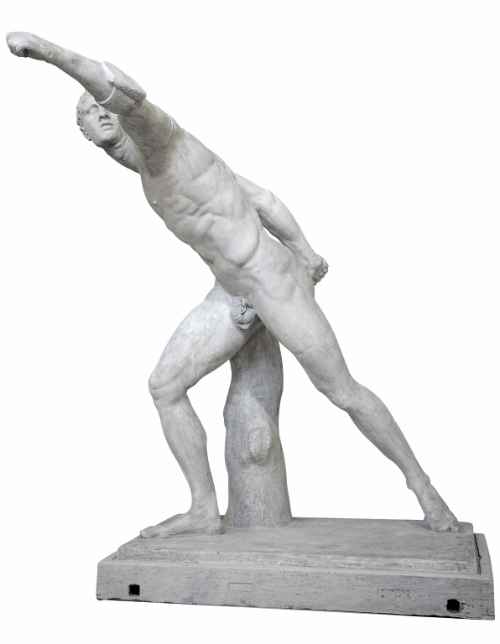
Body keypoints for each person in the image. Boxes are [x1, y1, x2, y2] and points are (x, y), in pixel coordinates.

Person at [7, 32, 459, 536]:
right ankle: (204, 509)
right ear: (86, 136)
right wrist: (304, 251)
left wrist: (47, 53)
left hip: (272, 282)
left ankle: (424, 488)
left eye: (101, 104)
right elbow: (261, 199)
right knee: (164, 387)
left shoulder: (163, 142)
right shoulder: (153, 176)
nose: (100, 111)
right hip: (233, 290)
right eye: (88, 113)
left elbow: (123, 91)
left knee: (342, 391)